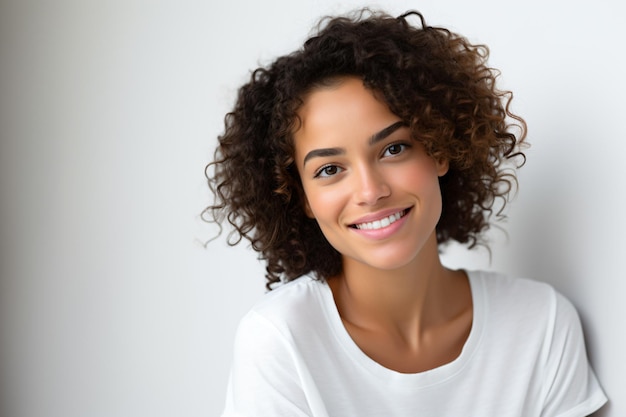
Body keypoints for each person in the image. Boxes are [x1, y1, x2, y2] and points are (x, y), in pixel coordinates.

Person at [205, 9, 607, 417]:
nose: (370, 191)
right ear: (302, 198)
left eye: (393, 149)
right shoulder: (281, 340)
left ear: (439, 149)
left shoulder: (540, 323)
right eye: (329, 170)